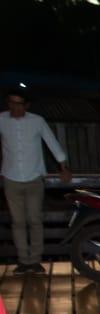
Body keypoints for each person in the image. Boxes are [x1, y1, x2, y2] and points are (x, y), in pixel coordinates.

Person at [0, 87, 72, 274]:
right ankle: (23, 260)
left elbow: (51, 141)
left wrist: (63, 165)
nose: (14, 107)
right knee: (18, 222)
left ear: (26, 105)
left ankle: (35, 260)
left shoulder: (37, 121)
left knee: (35, 220)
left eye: (18, 103)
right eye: (11, 103)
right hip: (11, 177)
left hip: (34, 177)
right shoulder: (1, 120)